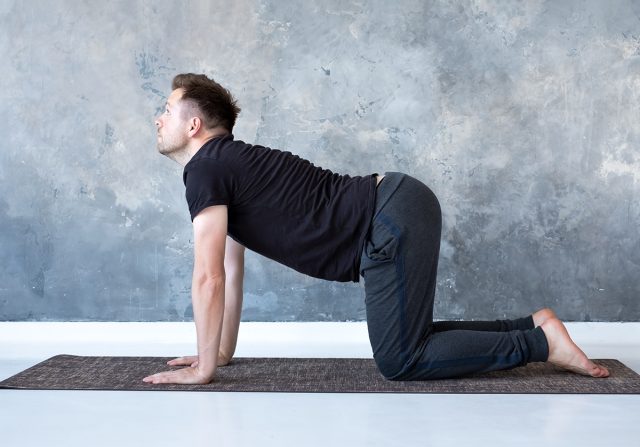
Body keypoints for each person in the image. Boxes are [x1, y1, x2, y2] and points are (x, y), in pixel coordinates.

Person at [143, 73, 610, 385]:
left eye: (167, 108)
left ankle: (540, 344)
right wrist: (218, 355)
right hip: (397, 205)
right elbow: (229, 264)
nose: (158, 117)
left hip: (387, 219)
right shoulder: (228, 166)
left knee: (401, 359)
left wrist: (202, 370)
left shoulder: (207, 168)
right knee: (412, 337)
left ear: (194, 125)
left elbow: (208, 279)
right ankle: (532, 326)